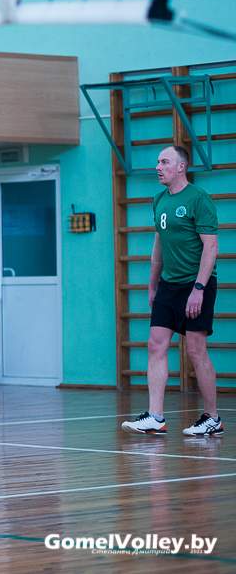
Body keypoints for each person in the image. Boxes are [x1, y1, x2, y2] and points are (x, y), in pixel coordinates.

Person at [122, 145, 221, 436]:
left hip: (196, 283)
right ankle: (155, 416)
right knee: (156, 344)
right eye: (158, 162)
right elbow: (159, 246)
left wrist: (199, 288)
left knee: (196, 350)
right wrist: (153, 284)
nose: (158, 167)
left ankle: (213, 418)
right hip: (169, 284)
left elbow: (211, 247)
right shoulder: (159, 200)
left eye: (165, 162)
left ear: (181, 167)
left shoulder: (199, 198)